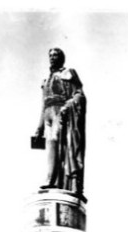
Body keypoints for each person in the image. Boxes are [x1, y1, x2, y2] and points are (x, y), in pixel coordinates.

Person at [33, 47, 86, 196]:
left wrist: (68, 106)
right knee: (50, 145)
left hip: (60, 110)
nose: (52, 57)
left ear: (61, 57)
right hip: (48, 112)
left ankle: (56, 180)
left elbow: (78, 93)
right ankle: (50, 179)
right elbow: (43, 104)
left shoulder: (68, 73)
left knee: (57, 143)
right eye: (50, 55)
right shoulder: (47, 80)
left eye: (56, 55)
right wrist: (39, 127)